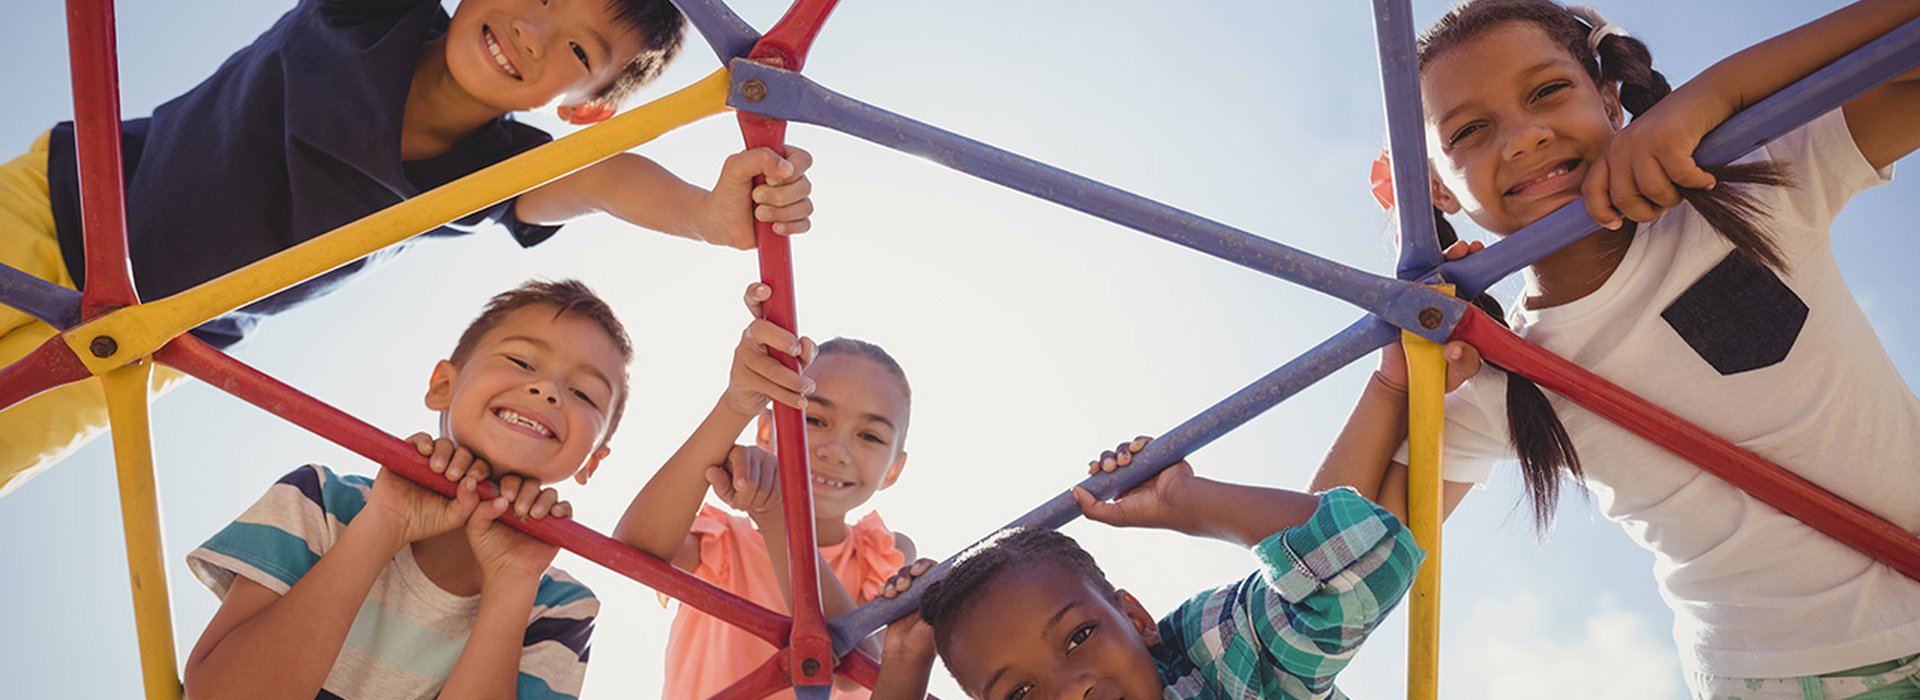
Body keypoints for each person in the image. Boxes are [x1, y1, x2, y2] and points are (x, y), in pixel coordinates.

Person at [1319, 1, 1920, 697]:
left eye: (1547, 91)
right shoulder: (1497, 375)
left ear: (1610, 98)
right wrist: (1392, 383)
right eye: (1470, 132)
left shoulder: (1745, 185)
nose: (1522, 138)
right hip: (1787, 673)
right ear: (1436, 190)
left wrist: (1707, 100)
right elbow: (1334, 565)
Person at [0, 0, 816, 496]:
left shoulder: (492, 172)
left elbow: (606, 180)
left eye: (576, 51)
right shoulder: (373, 15)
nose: (532, 30)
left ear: (588, 107)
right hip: (55, 208)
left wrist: (710, 217)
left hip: (136, 348)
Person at [181, 279, 631, 699]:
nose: (548, 390)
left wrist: (512, 583)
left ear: (592, 460)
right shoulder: (319, 499)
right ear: (443, 386)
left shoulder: (560, 606)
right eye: (521, 361)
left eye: (585, 394)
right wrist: (384, 523)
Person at [857, 436, 1423, 700]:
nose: (1072, 691)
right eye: (1020, 694)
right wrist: (906, 660)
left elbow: (1364, 555)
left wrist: (1187, 501)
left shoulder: (1211, 661)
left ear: (1136, 618)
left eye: (1079, 636)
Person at [613, 282, 917, 699]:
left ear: (894, 470)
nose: (836, 450)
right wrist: (737, 403)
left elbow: (855, 667)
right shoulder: (725, 542)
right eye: (813, 420)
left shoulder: (885, 551)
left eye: (870, 436)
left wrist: (778, 515)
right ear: (765, 429)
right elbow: (634, 548)